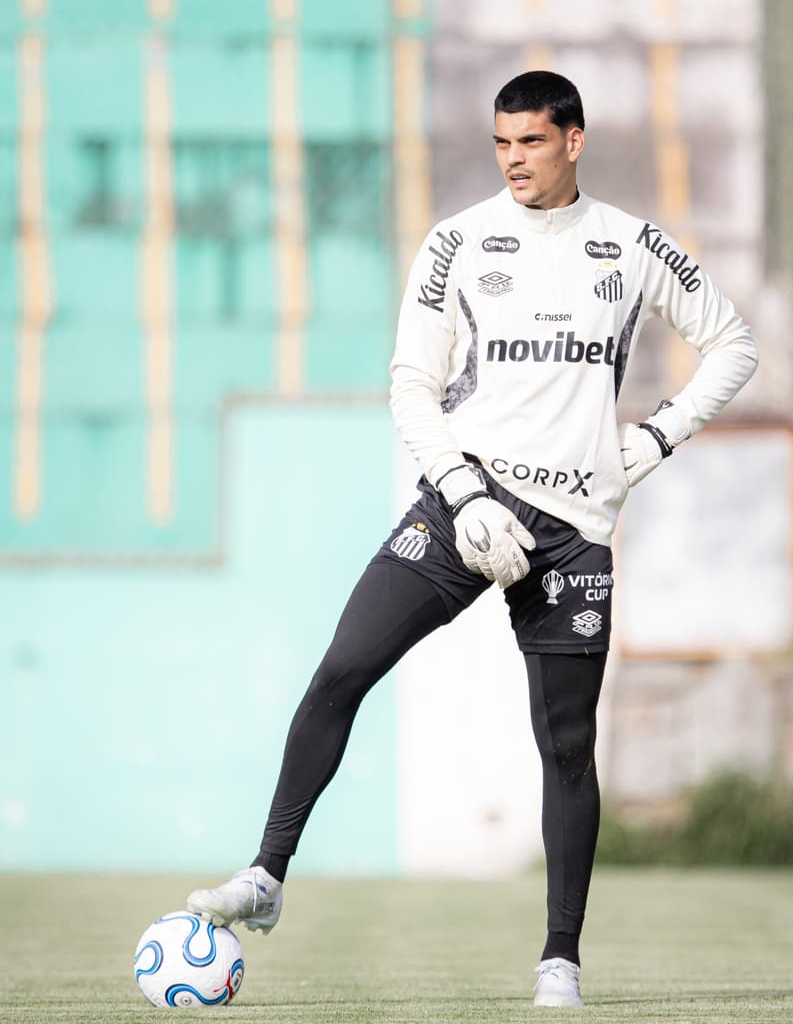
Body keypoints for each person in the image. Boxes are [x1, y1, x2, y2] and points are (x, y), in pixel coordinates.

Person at [187, 71, 758, 1008]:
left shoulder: (632, 244)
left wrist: (653, 438)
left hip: (574, 530)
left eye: (530, 143)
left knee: (567, 745)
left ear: (574, 139)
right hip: (464, 507)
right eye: (501, 144)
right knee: (343, 669)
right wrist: (460, 491)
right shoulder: (457, 242)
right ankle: (266, 876)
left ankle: (559, 962)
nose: (513, 162)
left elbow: (733, 343)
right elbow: (412, 382)